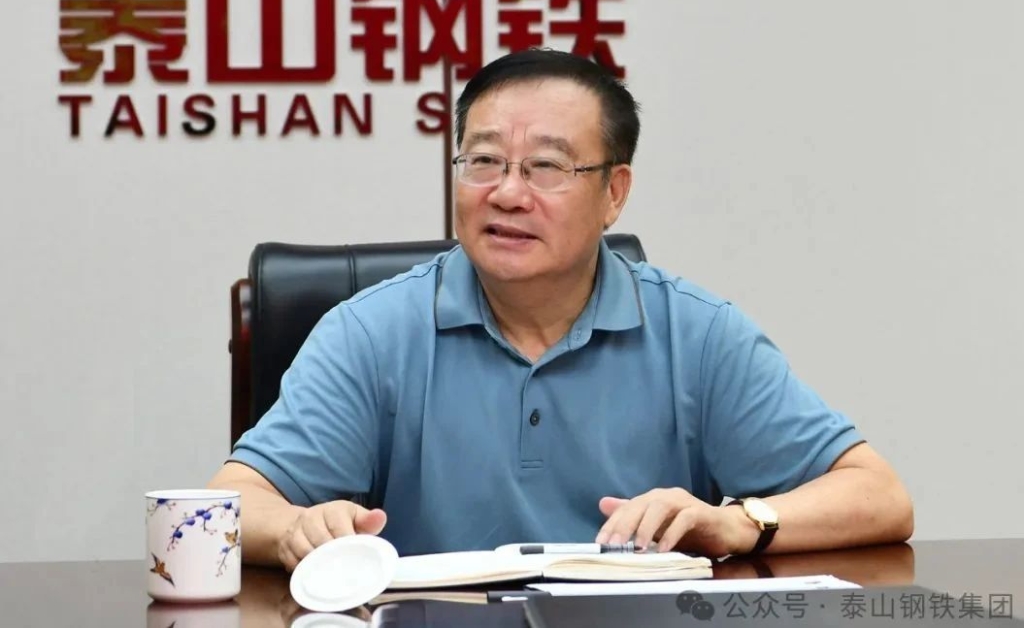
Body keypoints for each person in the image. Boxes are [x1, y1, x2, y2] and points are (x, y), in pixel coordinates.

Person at [208, 48, 914, 571]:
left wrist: (739, 523)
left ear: (615, 193)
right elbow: (231, 505)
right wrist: (298, 528)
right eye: (483, 161)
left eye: (547, 167)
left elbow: (879, 496)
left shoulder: (696, 334)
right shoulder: (371, 332)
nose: (508, 194)